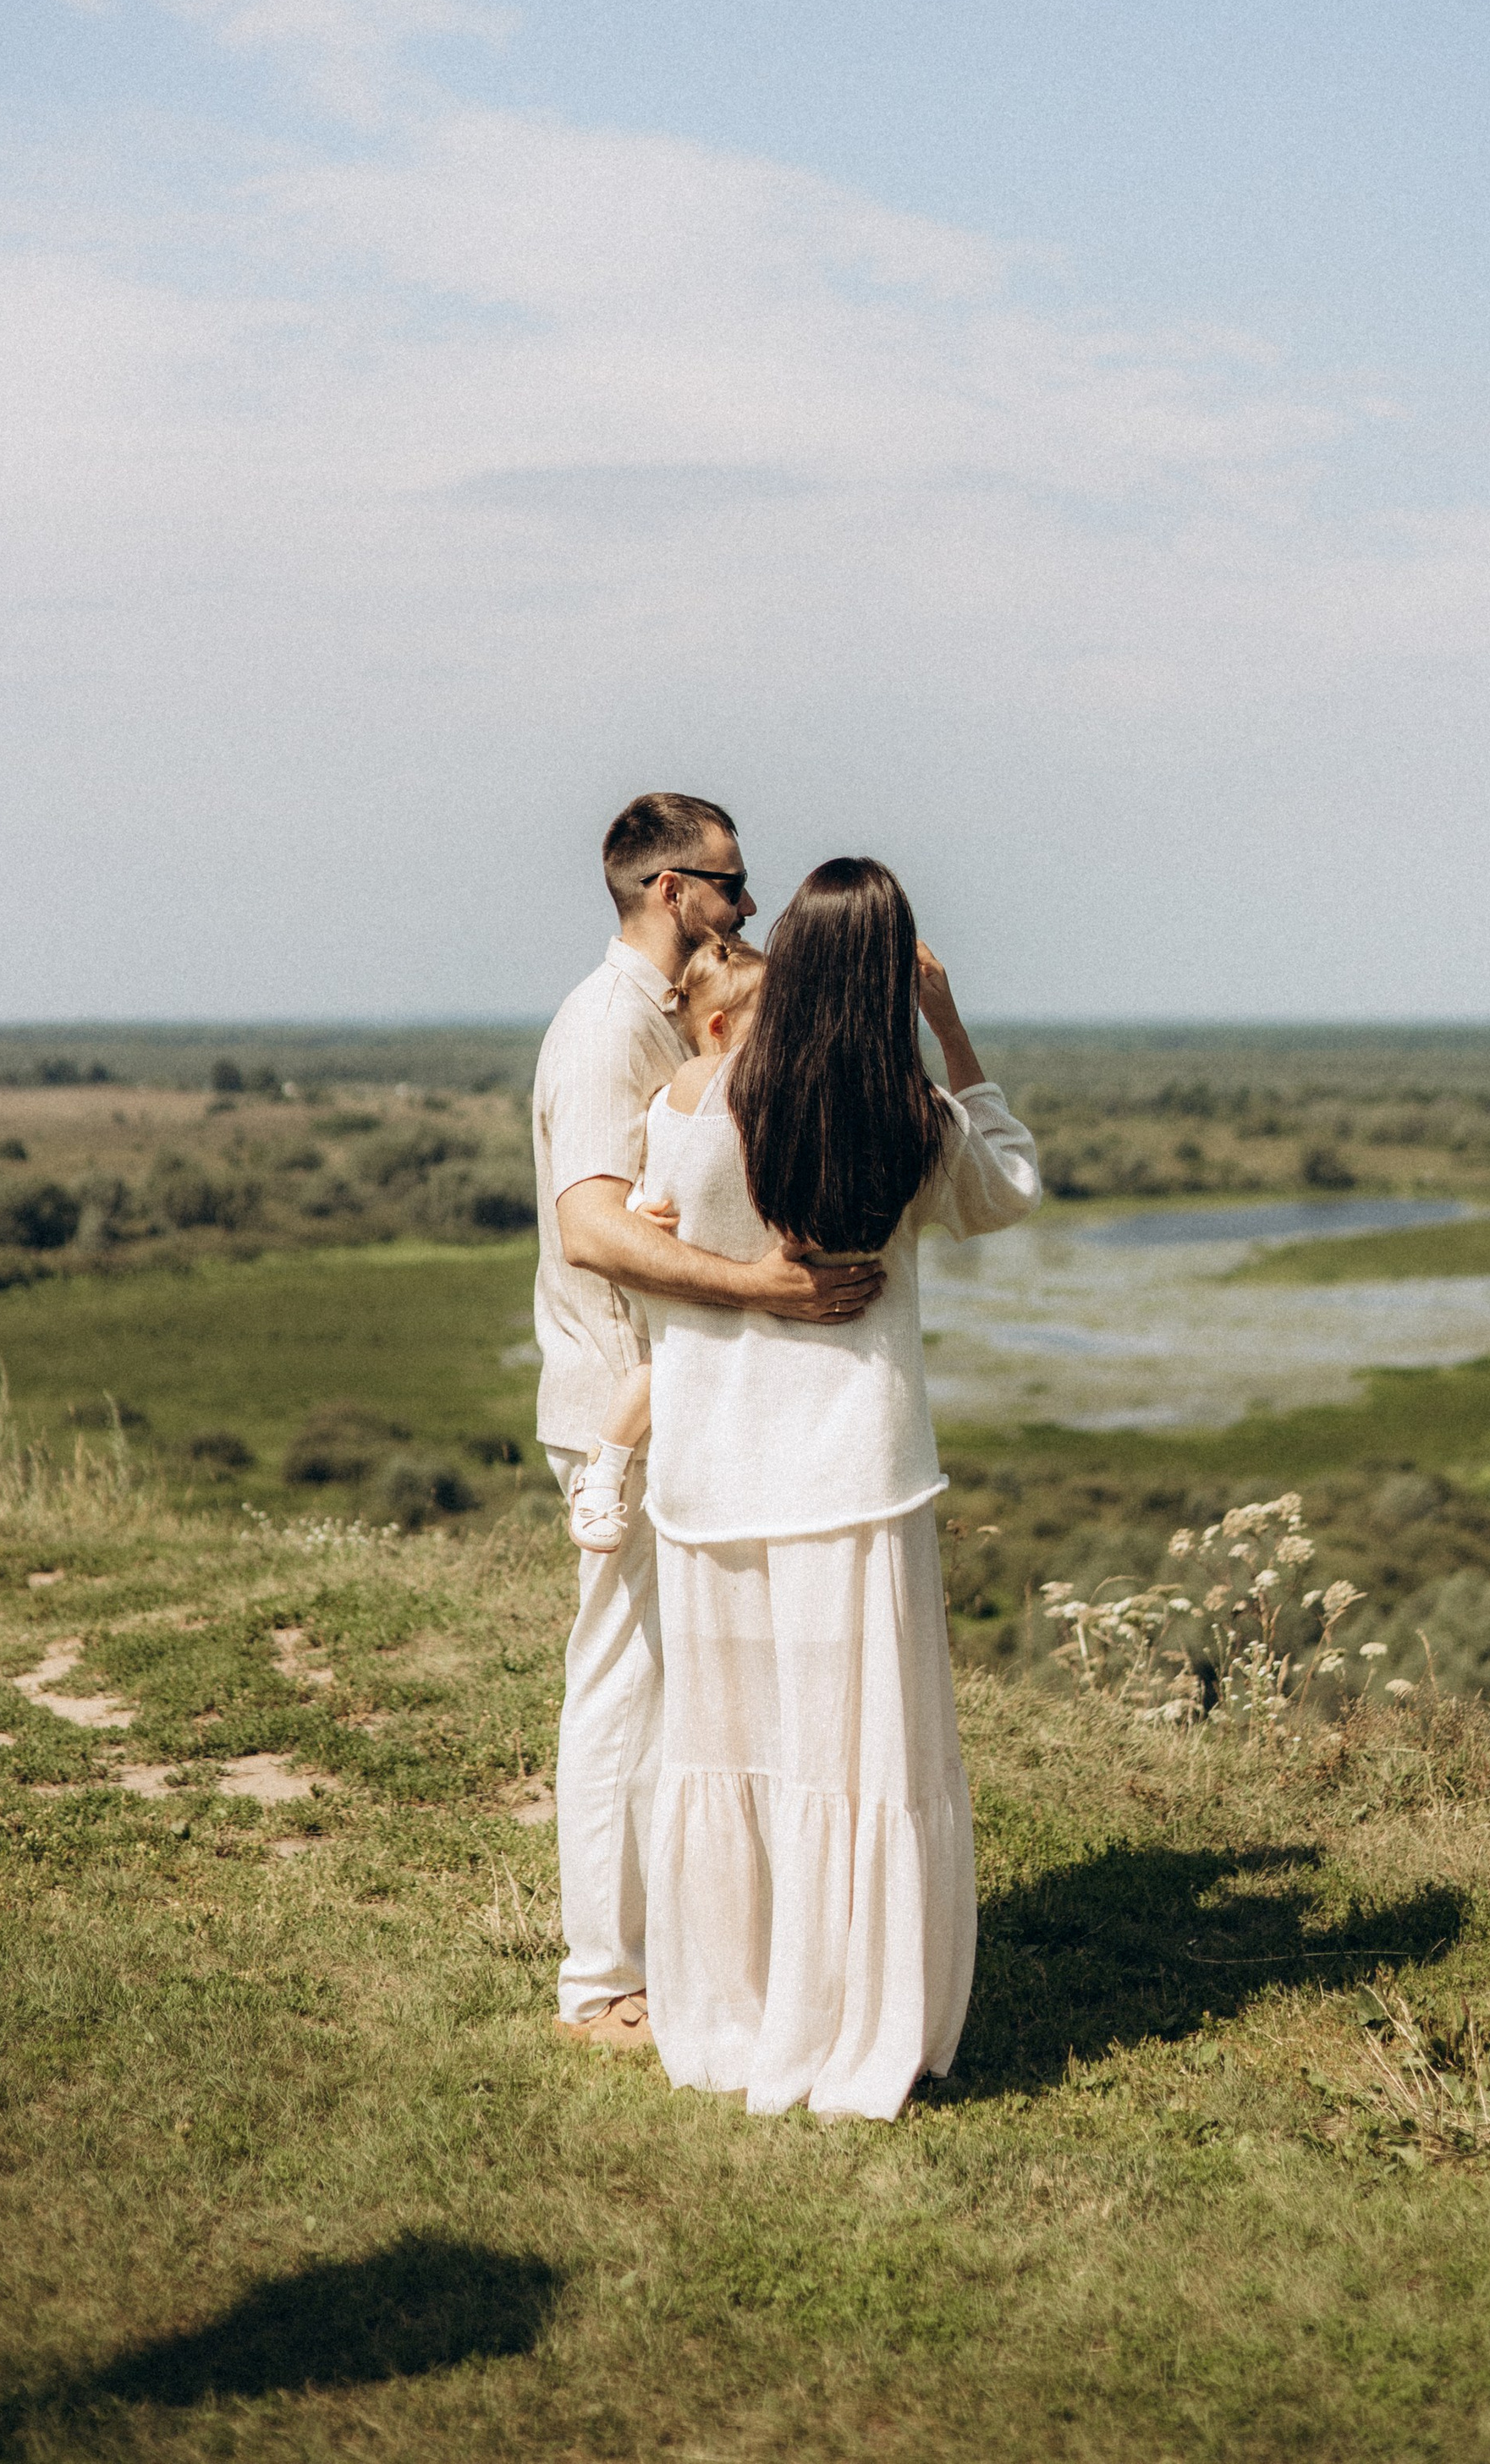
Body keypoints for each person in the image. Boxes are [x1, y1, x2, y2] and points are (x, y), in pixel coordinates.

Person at [636, 858, 1040, 2120]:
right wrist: (952, 1027)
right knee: (854, 1759)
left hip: (713, 1480)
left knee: (736, 1750)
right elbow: (1012, 1189)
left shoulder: (694, 1100)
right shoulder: (911, 1118)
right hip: (855, 1482)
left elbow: (647, 1249)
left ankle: (738, 2013)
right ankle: (858, 2020)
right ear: (887, 977)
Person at [533, 797, 882, 2054]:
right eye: (735, 886)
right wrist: (769, 1290)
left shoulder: (659, 1024)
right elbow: (592, 1226)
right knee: (623, 1686)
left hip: (681, 1395)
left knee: (683, 1692)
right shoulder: (605, 1029)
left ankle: (679, 1956)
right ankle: (598, 1978)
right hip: (619, 1391)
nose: (750, 907)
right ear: (673, 890)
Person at [566, 936, 767, 1557]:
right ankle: (603, 1468)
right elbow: (641, 1176)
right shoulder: (675, 1097)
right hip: (677, 1278)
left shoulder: (754, 1099)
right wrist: (633, 1214)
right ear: (718, 1026)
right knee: (656, 1370)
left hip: (719, 1285)